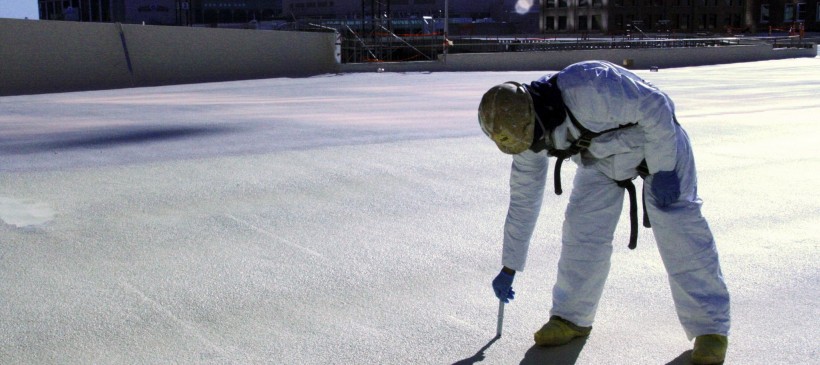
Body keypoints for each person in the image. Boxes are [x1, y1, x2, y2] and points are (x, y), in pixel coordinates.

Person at [479, 60, 730, 365]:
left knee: (680, 232)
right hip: (601, 159)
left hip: (658, 145)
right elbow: (523, 201)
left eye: (535, 140)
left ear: (535, 114)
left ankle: (710, 330)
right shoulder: (525, 138)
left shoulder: (588, 86)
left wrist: (664, 169)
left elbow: (657, 107)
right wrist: (510, 265)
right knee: (582, 232)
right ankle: (571, 317)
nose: (535, 147)